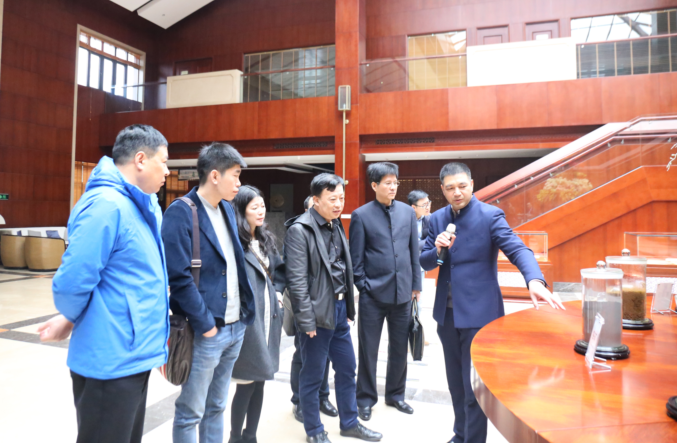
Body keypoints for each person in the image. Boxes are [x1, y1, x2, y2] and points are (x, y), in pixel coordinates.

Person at [39, 124, 170, 443]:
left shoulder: (142, 205)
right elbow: (72, 283)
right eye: (164, 161)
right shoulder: (106, 206)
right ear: (141, 159)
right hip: (110, 360)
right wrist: (72, 314)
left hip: (133, 354)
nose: (167, 171)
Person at [420, 162, 565, 443]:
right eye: (450, 188)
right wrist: (437, 249)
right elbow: (425, 261)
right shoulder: (436, 219)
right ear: (443, 190)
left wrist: (534, 280)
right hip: (447, 316)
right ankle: (460, 435)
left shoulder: (490, 215)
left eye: (462, 186)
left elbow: (517, 248)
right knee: (456, 385)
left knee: (474, 389)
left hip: (479, 316)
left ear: (472, 184)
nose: (457, 192)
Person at [162, 143, 256, 443]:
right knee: (190, 412)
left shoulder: (226, 208)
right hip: (205, 329)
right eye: (235, 175)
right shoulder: (181, 212)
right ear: (215, 176)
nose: (239, 183)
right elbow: (179, 278)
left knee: (216, 406)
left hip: (235, 326)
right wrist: (206, 326)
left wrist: (244, 314)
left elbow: (235, 261)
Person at [285, 174, 382, 443]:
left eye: (341, 198)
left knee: (347, 368)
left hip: (339, 311)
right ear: (316, 200)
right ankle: (314, 431)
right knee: (313, 375)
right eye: (332, 199)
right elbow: (297, 281)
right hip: (316, 315)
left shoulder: (336, 224)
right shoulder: (299, 230)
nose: (339, 204)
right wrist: (307, 321)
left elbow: (343, 270)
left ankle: (349, 423)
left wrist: (348, 309)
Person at [349, 162, 421, 421]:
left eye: (395, 183)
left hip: (403, 294)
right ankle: (365, 399)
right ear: (374, 185)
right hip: (373, 296)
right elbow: (355, 259)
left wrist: (416, 285)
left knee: (400, 348)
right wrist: (364, 287)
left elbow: (414, 251)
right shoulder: (361, 215)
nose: (393, 187)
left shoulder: (407, 213)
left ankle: (396, 395)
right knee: (368, 350)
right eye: (387, 183)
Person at [228, 185, 286, 443]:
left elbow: (280, 272)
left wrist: (279, 293)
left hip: (268, 317)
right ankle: (235, 437)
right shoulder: (234, 243)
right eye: (255, 207)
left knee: (260, 379)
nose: (261, 211)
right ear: (242, 211)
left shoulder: (265, 239)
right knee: (247, 382)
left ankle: (250, 435)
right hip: (249, 321)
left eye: (262, 206)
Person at [288, 195, 338, 422]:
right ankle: (299, 400)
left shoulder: (331, 229)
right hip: (306, 307)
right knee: (303, 356)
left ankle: (322, 397)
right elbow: (295, 278)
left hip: (327, 306)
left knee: (323, 356)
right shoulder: (299, 232)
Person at [408, 189, 431, 284]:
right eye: (424, 205)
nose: (428, 207)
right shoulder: (404, 219)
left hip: (421, 260)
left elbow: (432, 240)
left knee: (419, 288)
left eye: (428, 203)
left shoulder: (431, 218)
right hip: (406, 260)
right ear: (414, 207)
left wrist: (416, 244)